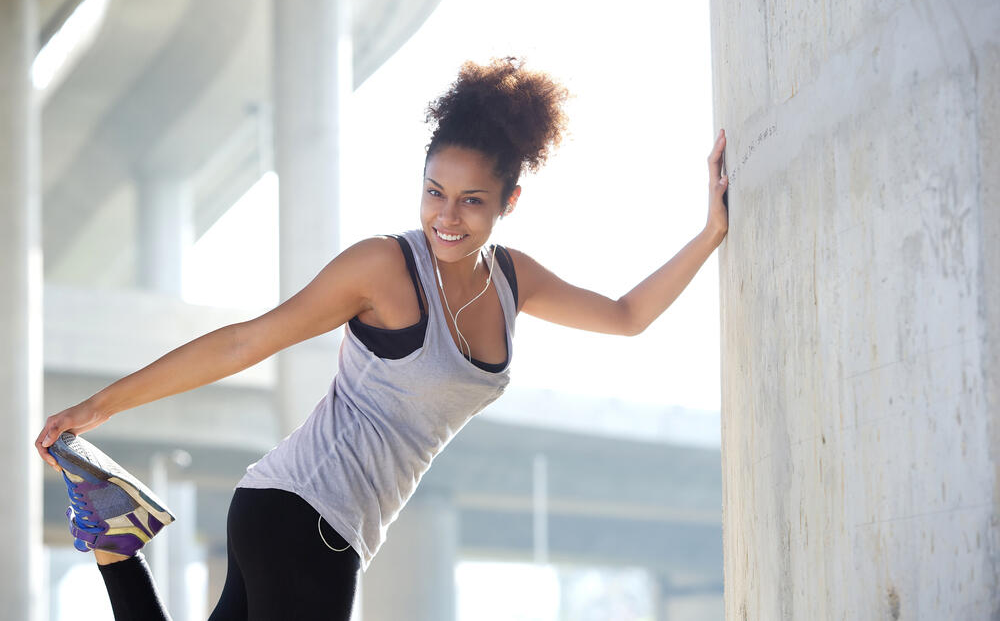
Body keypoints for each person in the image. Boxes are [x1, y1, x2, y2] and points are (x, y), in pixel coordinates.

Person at [35, 56, 729, 620]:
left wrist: (709, 234)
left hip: (315, 522)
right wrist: (99, 408)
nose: (446, 217)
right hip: (303, 518)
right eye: (434, 191)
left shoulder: (516, 281)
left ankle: (115, 537)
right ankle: (115, 542)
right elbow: (245, 343)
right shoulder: (384, 268)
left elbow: (627, 313)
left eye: (471, 200)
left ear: (509, 201)